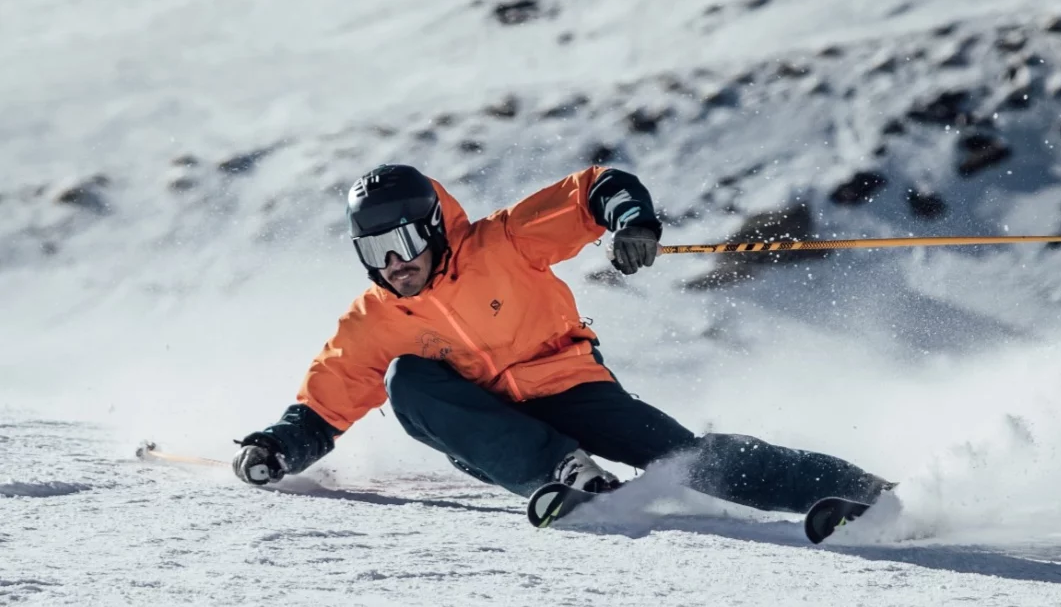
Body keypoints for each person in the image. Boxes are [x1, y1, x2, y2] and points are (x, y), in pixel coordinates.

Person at [233, 164, 889, 516]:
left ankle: (867, 494)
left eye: (402, 242)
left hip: (570, 385)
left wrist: (630, 220)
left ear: (433, 227)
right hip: (491, 430)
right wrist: (278, 446)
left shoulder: (502, 242)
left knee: (684, 457)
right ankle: (562, 473)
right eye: (373, 251)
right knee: (408, 380)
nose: (393, 262)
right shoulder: (375, 316)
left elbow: (590, 192)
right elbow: (327, 400)